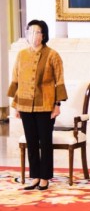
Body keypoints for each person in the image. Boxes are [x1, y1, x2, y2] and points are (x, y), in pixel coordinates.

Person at [8, 20, 68, 191]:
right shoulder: (21, 55)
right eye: (30, 31)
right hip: (25, 105)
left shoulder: (53, 55)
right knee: (31, 142)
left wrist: (57, 105)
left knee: (45, 142)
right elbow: (16, 79)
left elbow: (59, 81)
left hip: (46, 106)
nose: (33, 35)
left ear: (44, 35)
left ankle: (45, 177)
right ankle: (34, 176)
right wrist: (16, 106)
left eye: (37, 31)